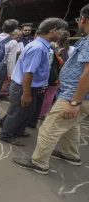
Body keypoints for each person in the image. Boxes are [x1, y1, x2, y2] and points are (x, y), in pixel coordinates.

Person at [12, 7, 89, 174]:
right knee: (71, 126)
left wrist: (75, 100)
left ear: (82, 19)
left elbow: (88, 73)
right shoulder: (39, 46)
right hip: (75, 95)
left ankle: (39, 163)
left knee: (48, 129)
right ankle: (70, 154)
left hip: (74, 96)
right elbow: (28, 71)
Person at [0, 18, 68, 147]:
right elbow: (28, 73)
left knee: (27, 111)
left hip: (30, 86)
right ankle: (6, 135)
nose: (62, 34)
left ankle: (18, 130)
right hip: (23, 87)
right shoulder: (38, 48)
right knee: (17, 112)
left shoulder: (42, 46)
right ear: (53, 30)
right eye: (61, 31)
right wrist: (26, 94)